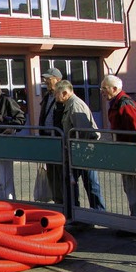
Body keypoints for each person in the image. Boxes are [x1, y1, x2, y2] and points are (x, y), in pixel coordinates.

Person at [101, 75, 136, 236]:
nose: (102, 91)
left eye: (104, 88)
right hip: (126, 153)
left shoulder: (125, 104)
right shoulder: (117, 103)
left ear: (115, 89)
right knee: (131, 189)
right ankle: (135, 222)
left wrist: (132, 154)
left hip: (132, 154)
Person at [55, 80, 106, 213]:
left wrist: (77, 151)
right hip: (77, 151)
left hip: (82, 152)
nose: (55, 97)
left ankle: (98, 213)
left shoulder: (75, 105)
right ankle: (77, 212)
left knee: (90, 183)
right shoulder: (69, 104)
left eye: (57, 94)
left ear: (65, 93)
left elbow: (82, 131)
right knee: (74, 183)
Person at [36, 68, 65, 204]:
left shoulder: (63, 96)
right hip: (48, 139)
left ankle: (65, 204)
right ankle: (57, 202)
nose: (46, 81)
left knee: (61, 175)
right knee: (52, 174)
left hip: (58, 140)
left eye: (49, 78)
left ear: (58, 80)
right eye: (45, 79)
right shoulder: (47, 96)